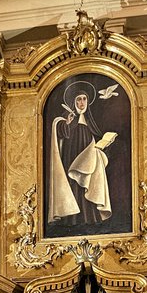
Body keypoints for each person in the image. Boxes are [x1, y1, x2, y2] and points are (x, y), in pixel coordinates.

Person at [47, 82, 116, 229]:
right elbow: (60, 131)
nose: (82, 102)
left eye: (84, 99)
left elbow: (97, 137)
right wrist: (67, 123)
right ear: (73, 102)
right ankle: (71, 219)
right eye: (79, 99)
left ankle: (89, 217)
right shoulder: (68, 118)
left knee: (89, 182)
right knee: (74, 184)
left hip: (89, 161)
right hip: (71, 158)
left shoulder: (89, 121)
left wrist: (104, 145)